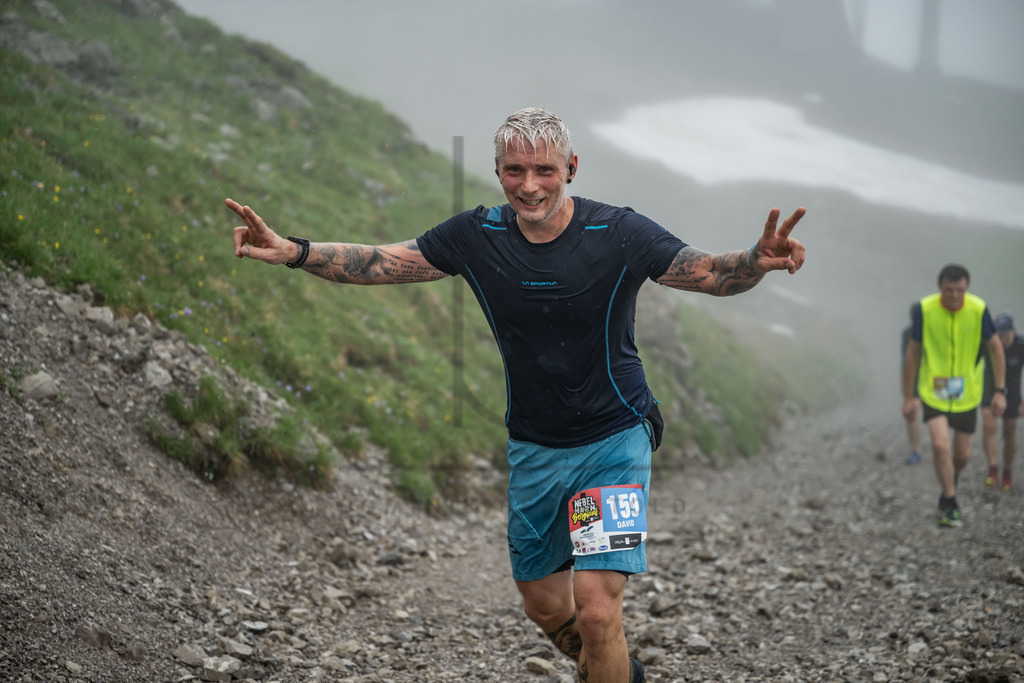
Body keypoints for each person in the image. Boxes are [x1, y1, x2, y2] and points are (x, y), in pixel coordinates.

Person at [226, 107, 807, 683]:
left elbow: (704, 271)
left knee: (600, 611)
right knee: (546, 605)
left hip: (615, 436)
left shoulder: (619, 232)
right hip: (535, 445)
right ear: (498, 171)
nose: (530, 186)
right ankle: (612, 671)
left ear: (572, 168)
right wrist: (294, 251)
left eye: (545, 170)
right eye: (514, 171)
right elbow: (380, 262)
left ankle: (604, 658)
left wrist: (754, 262)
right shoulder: (477, 236)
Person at [901, 264, 1005, 527]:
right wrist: (909, 396)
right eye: (949, 290)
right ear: (940, 288)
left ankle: (951, 480)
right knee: (939, 445)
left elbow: (996, 349)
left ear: (966, 287)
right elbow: (912, 354)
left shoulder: (978, 309)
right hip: (932, 392)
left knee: (962, 456)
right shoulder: (925, 309)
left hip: (967, 395)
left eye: (959, 290)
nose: (955, 295)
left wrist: (1000, 391)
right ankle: (950, 502)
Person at [993, 314, 1024, 492]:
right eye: (1000, 335)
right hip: (994, 390)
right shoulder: (993, 345)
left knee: (1009, 430)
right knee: (991, 429)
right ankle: (993, 468)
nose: (1003, 339)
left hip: (1013, 392)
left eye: (1006, 334)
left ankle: (1007, 470)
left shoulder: (1021, 345)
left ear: (1014, 330)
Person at [901, 311, 924, 465]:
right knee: (911, 412)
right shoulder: (907, 333)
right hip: (915, 374)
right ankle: (916, 449)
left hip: (934, 375)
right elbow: (904, 356)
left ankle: (943, 443)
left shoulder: (934, 329)